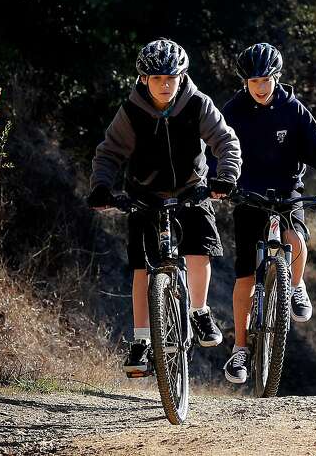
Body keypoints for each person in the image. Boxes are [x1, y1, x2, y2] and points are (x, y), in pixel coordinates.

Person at [87, 38, 242, 377]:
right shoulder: (131, 111)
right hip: (143, 194)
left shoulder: (198, 104)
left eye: (172, 77)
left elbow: (225, 141)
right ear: (144, 79)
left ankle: (199, 312)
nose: (165, 84)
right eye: (157, 78)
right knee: (143, 269)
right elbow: (110, 152)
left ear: (182, 76)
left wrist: (226, 176)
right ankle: (142, 340)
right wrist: (100, 187)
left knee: (199, 251)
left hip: (191, 189)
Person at [219, 43, 316, 384]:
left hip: (287, 189)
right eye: (253, 81)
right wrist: (213, 181)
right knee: (246, 275)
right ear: (244, 82)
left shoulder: (293, 109)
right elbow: (212, 146)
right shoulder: (232, 110)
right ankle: (240, 350)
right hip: (246, 192)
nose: (260, 87)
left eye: (266, 80)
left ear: (277, 78)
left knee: (295, 239)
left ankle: (296, 284)